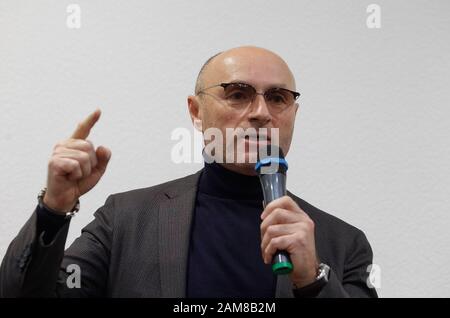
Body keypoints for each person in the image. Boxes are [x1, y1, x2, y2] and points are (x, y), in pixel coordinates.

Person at [0, 46, 377, 298]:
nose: (261, 112)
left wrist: (313, 282)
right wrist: (53, 209)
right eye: (238, 93)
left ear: (293, 114)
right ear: (196, 112)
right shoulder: (126, 221)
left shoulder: (344, 244)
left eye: (278, 98)